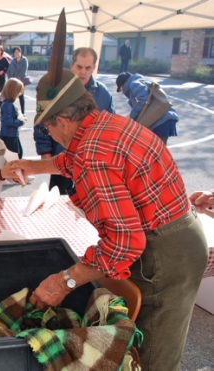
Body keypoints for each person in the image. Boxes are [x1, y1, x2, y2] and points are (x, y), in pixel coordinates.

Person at [13, 66, 207, 371]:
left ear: (62, 121)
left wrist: (64, 281)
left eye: (48, 129)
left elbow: (124, 242)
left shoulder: (93, 154)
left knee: (152, 351)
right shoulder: (103, 125)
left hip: (166, 252)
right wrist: (33, 166)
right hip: (176, 233)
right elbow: (72, 157)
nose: (49, 135)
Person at [34, 47, 115, 194]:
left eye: (88, 67)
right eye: (79, 67)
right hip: (61, 159)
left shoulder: (103, 94)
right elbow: (42, 121)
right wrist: (45, 150)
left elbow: (109, 128)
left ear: (94, 68)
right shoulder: (55, 89)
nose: (83, 71)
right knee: (58, 204)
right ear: (72, 65)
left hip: (91, 163)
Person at [116, 72, 178, 144]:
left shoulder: (133, 84)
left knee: (156, 151)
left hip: (160, 120)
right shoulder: (142, 81)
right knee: (158, 151)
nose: (122, 92)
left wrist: (131, 116)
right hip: (164, 117)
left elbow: (143, 100)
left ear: (123, 85)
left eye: (120, 89)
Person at [0, 78, 26, 159]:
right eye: (19, 91)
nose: (20, 93)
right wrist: (21, 122)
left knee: (18, 154)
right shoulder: (8, 104)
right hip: (9, 136)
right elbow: (8, 121)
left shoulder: (8, 103)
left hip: (11, 135)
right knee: (14, 158)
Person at [6, 46, 29, 114]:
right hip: (12, 81)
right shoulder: (12, 61)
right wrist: (11, 79)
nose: (16, 53)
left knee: (21, 96)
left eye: (18, 52)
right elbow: (9, 70)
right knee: (11, 97)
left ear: (20, 52)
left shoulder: (24, 60)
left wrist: (18, 79)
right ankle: (11, 111)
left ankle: (23, 112)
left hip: (20, 81)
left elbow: (23, 71)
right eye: (15, 52)